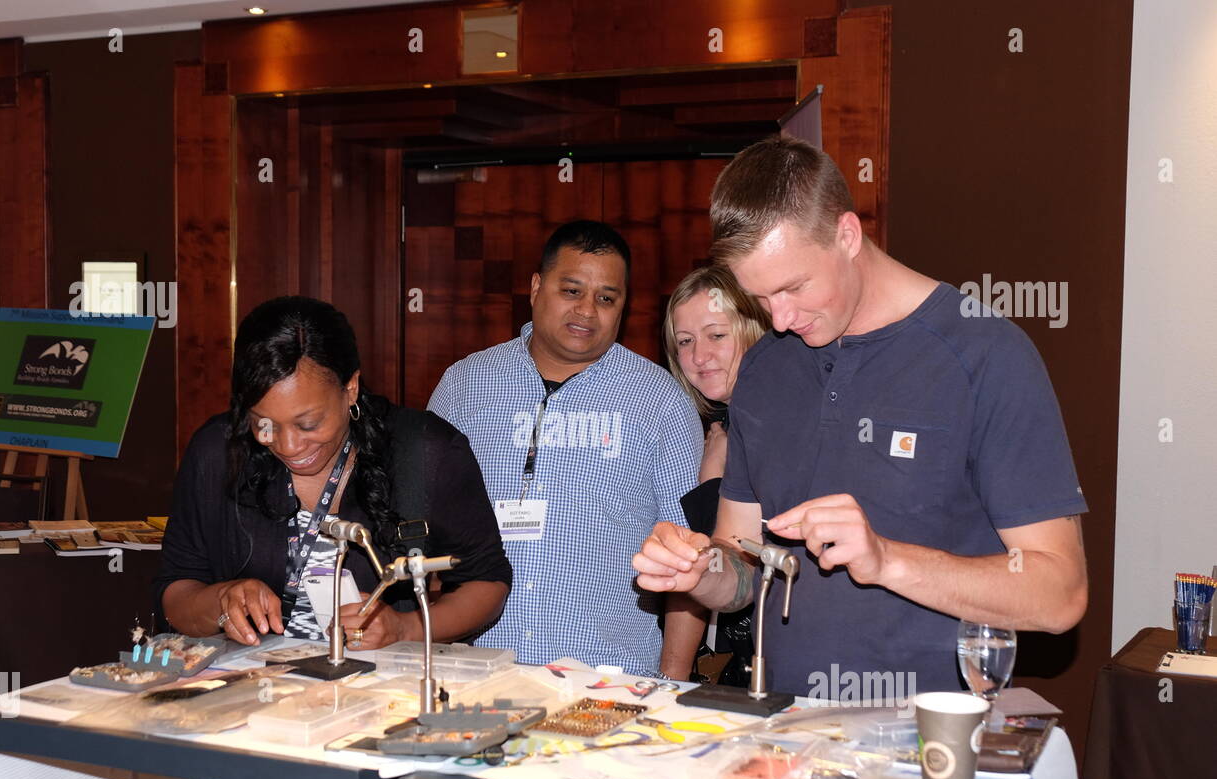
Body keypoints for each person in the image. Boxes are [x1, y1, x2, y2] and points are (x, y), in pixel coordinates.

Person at [633, 135, 1089, 700]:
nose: (779, 319)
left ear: (847, 235)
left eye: (794, 287)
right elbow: (746, 563)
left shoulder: (985, 354)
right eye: (760, 299)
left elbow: (1060, 594)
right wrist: (702, 573)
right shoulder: (766, 370)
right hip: (786, 735)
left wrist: (887, 559)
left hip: (931, 742)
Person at [154, 294, 511, 779]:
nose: (289, 447)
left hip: (388, 740)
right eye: (264, 424)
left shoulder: (424, 453)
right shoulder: (217, 454)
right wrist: (221, 600)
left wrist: (400, 627)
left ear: (351, 389)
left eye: (308, 422)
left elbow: (488, 582)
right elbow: (176, 592)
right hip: (259, 740)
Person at [428, 220, 704, 679]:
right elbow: (422, 528)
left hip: (609, 675)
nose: (587, 311)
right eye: (572, 290)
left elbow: (688, 558)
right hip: (476, 669)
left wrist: (670, 684)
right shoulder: (464, 386)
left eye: (606, 298)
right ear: (537, 287)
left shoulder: (661, 402)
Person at [662, 265, 771, 686]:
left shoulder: (780, 423)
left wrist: (710, 483)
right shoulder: (721, 429)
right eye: (685, 341)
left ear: (754, 328)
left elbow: (736, 558)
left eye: (716, 335)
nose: (698, 356)